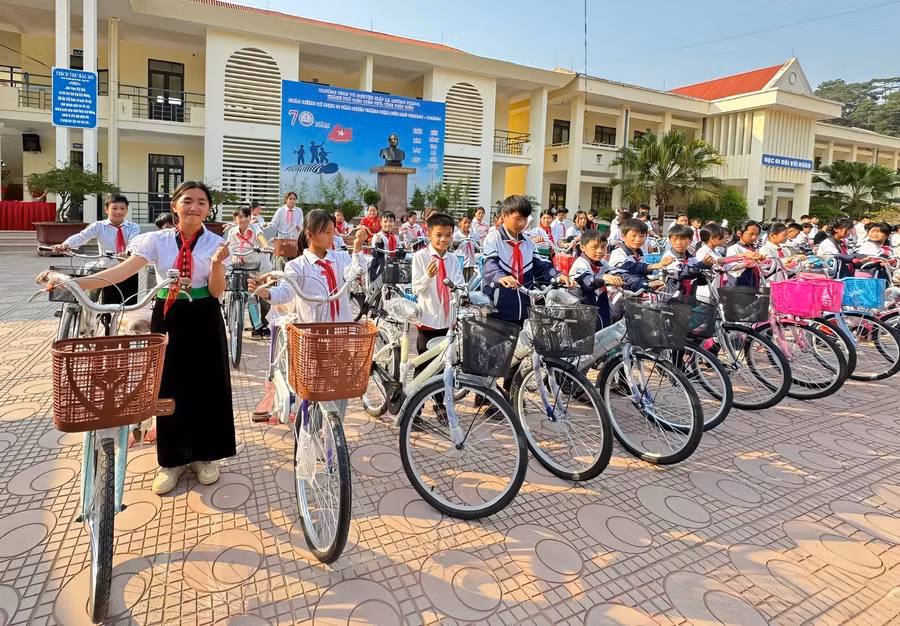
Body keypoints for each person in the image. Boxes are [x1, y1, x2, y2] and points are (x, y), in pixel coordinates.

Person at [39, 181, 235, 494]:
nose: (194, 207)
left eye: (201, 202)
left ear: (208, 208)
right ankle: (171, 460)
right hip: (169, 315)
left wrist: (216, 264)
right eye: (188, 201)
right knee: (167, 384)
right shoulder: (156, 241)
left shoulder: (216, 242)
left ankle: (206, 456)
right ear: (175, 205)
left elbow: (216, 291)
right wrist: (73, 284)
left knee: (208, 384)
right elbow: (122, 272)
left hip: (205, 316)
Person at [252, 209, 365, 324]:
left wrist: (357, 249)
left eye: (332, 232)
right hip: (311, 331)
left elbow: (354, 275)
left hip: (342, 329)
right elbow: (286, 292)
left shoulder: (341, 257)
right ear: (309, 234)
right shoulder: (296, 266)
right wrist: (265, 292)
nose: (332, 237)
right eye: (327, 232)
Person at [482, 195, 574, 326]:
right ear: (504, 216)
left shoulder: (528, 242)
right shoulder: (493, 238)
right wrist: (501, 277)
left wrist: (558, 275)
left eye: (525, 219)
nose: (521, 223)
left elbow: (541, 265)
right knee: (499, 343)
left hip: (525, 307)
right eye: (517, 219)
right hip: (499, 306)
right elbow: (490, 264)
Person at [52, 193, 141, 305]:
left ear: (127, 210)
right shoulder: (99, 226)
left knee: (129, 305)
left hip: (129, 268)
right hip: (107, 270)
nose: (118, 212)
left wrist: (128, 254)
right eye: (114, 208)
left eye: (122, 208)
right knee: (108, 305)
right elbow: (82, 236)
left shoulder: (133, 227)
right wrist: (65, 245)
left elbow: (134, 242)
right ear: (106, 209)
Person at [412, 212, 465, 382]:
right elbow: (415, 289)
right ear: (429, 235)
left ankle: (440, 403)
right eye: (439, 235)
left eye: (448, 235)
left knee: (443, 363)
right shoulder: (420, 257)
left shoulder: (453, 259)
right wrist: (428, 276)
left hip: (448, 320)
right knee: (424, 364)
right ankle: (415, 404)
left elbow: (460, 284)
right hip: (428, 319)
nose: (443, 239)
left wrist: (462, 292)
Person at [227, 206, 272, 337]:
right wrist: (235, 257)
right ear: (235, 219)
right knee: (249, 296)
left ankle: (266, 323)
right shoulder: (232, 233)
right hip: (242, 268)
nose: (243, 219)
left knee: (264, 295)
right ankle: (256, 326)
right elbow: (231, 250)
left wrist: (265, 246)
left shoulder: (255, 228)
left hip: (259, 267)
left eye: (246, 216)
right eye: (240, 217)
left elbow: (261, 236)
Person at [569, 230, 623, 329]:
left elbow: (618, 272)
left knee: (604, 330)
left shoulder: (602, 262)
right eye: (594, 247)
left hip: (598, 303)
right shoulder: (580, 263)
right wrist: (603, 278)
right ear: (582, 248)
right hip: (582, 307)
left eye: (603, 247)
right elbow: (587, 282)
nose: (600, 251)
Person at [608, 218, 673, 293]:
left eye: (642, 236)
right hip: (619, 295)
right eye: (633, 236)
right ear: (623, 236)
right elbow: (631, 268)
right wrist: (657, 265)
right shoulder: (618, 253)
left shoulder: (639, 254)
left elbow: (641, 272)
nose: (638, 239)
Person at [725, 220, 766, 286]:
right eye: (751, 234)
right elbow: (731, 267)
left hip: (753, 284)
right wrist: (748, 262)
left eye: (757, 234)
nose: (754, 237)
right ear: (739, 233)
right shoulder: (733, 248)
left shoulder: (755, 248)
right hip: (738, 285)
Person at [368, 211, 399, 284]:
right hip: (380, 265)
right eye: (385, 222)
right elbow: (376, 253)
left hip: (392, 265)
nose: (388, 224)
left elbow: (398, 251)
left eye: (390, 221)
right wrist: (379, 244)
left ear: (394, 223)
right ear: (381, 223)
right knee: (379, 286)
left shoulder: (396, 237)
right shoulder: (377, 236)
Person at [453, 215, 479, 282]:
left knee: (470, 281)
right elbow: (453, 245)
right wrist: (456, 242)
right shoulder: (457, 235)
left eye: (469, 222)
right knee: (461, 280)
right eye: (465, 222)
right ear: (459, 223)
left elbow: (477, 246)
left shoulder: (473, 235)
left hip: (471, 261)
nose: (467, 225)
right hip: (461, 261)